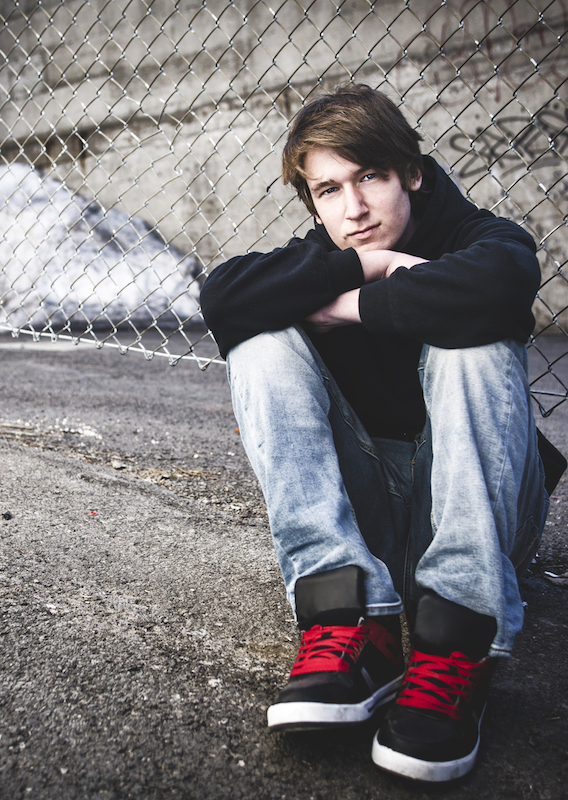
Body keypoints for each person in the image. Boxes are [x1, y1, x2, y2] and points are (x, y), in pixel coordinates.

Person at [200, 83, 559, 782]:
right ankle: (351, 624)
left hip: (480, 519)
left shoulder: (485, 239)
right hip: (370, 528)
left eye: (369, 177)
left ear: (412, 174)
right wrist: (369, 265)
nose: (354, 209)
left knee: (472, 339)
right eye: (329, 190)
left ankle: (459, 646)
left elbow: (492, 289)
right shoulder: (333, 249)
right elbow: (222, 296)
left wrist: (353, 305)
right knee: (260, 341)